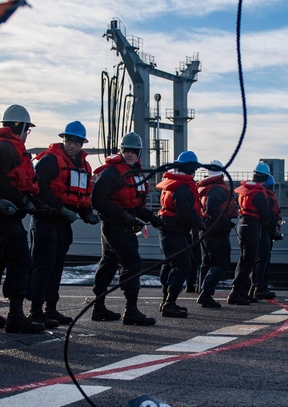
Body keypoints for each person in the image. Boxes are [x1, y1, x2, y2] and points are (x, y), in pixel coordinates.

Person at [0, 104, 47, 334]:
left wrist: (32, 203)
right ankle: (15, 315)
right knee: (21, 260)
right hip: (2, 214)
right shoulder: (7, 149)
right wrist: (19, 200)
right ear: (24, 128)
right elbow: (0, 180)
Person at [29, 121, 100, 326]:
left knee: (57, 266)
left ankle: (50, 308)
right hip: (45, 220)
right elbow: (39, 188)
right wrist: (60, 209)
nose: (72, 145)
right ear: (64, 140)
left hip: (63, 223)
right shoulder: (50, 161)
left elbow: (82, 196)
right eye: (69, 140)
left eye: (76, 142)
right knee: (43, 265)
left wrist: (87, 214)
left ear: (81, 145)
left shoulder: (83, 167)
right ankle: (35, 311)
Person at [90, 132, 161, 326]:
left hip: (120, 224)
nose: (129, 154)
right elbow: (97, 199)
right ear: (121, 151)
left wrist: (152, 217)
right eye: (125, 150)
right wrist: (123, 216)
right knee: (132, 264)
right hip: (116, 226)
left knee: (109, 263)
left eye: (133, 151)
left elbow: (134, 204)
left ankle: (99, 308)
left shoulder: (133, 174)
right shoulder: (112, 173)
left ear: (139, 153)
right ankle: (131, 311)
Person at [156, 151, 205, 318]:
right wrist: (200, 224)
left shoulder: (173, 184)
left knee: (169, 265)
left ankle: (166, 301)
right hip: (175, 231)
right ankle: (169, 304)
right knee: (183, 265)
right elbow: (185, 213)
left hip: (170, 230)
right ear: (192, 168)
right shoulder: (183, 187)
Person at [227, 162, 275, 305]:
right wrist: (273, 227)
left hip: (242, 225)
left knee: (245, 260)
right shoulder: (259, 193)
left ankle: (242, 292)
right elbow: (266, 217)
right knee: (248, 261)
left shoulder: (245, 190)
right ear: (266, 177)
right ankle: (235, 293)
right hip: (252, 227)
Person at [196, 160, 236, 308]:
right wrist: (226, 221)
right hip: (217, 231)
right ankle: (206, 294)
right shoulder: (218, 189)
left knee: (207, 262)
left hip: (205, 230)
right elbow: (212, 208)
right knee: (221, 263)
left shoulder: (205, 188)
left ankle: (202, 291)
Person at [254, 175, 283, 301]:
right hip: (263, 231)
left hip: (260, 231)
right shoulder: (267, 197)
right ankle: (259, 288)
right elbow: (269, 216)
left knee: (261, 260)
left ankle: (259, 287)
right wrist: (275, 230)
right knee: (262, 260)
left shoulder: (259, 195)